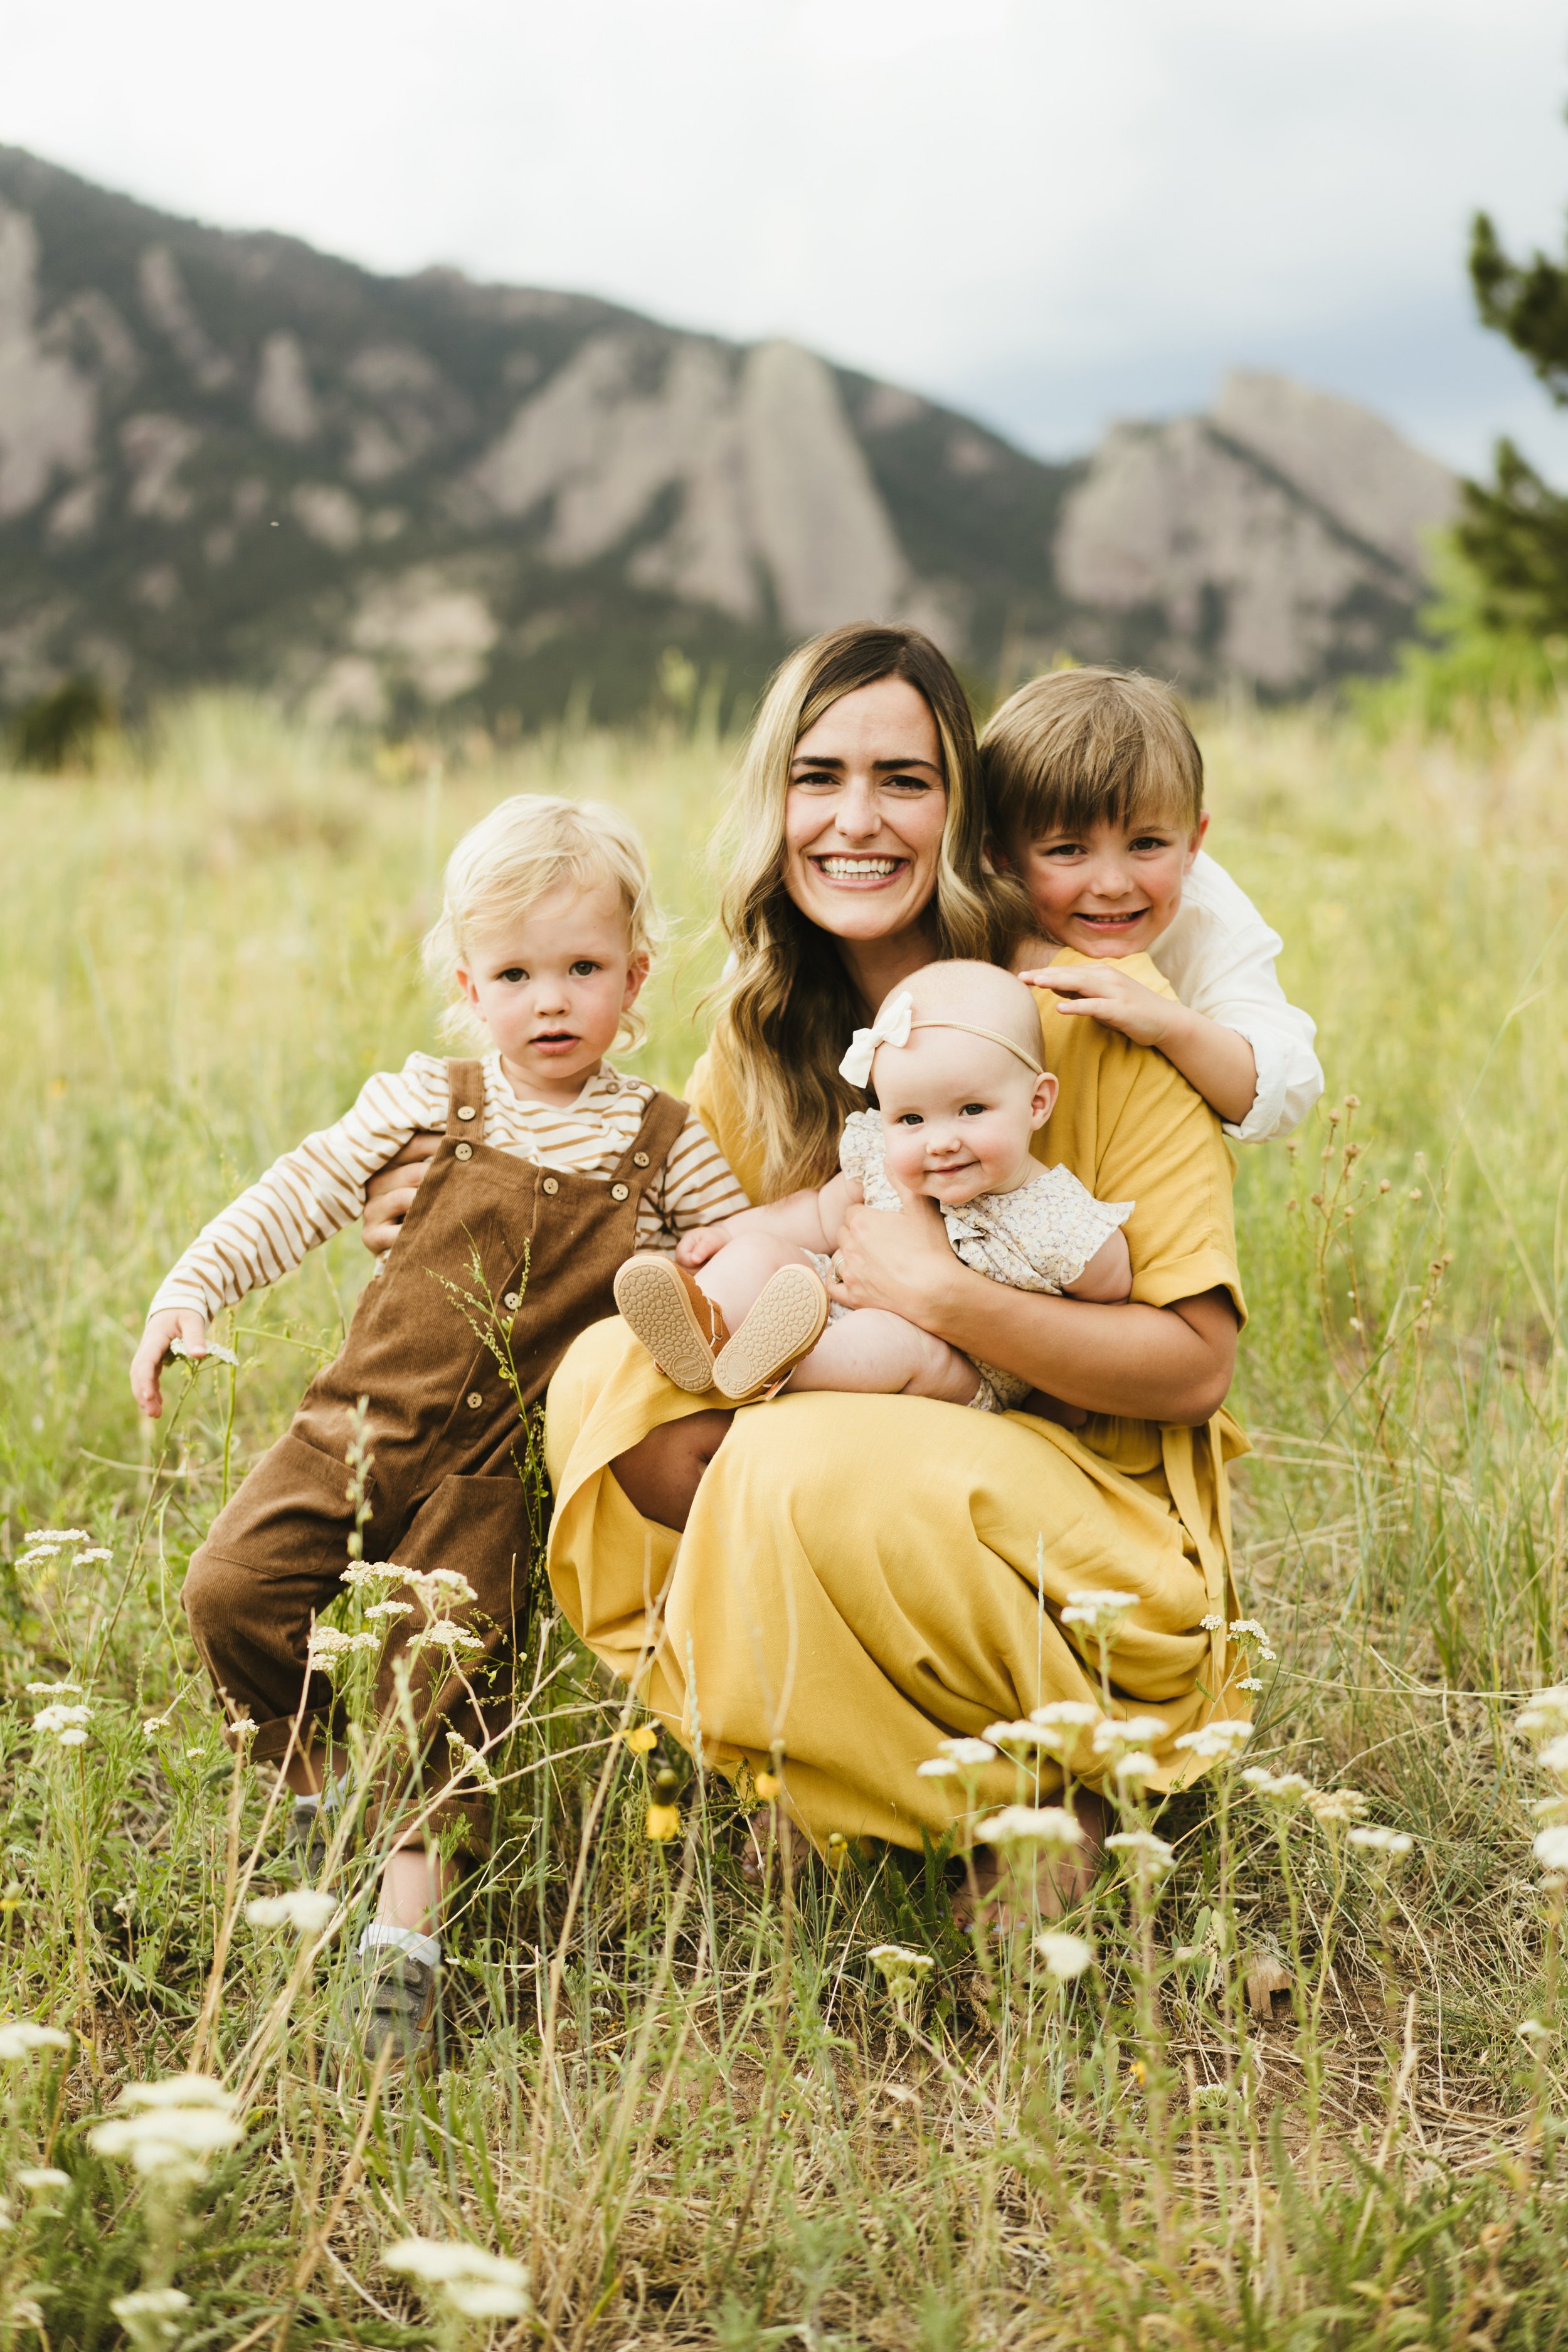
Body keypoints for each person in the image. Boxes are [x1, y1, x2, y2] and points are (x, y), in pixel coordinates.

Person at [362, 626, 1253, 1925]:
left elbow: (1193, 1365)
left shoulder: (1084, 1012)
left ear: (962, 813)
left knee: (783, 1464)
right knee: (610, 1380)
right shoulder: (761, 1041)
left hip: (1080, 1513)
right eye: (818, 776)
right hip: (860, 1447)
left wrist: (941, 1295)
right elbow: (646, 1247)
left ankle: (1056, 1795)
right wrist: (437, 1204)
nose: (857, 819)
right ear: (772, 802)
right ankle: (823, 1762)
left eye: (903, 778)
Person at [131, 793, 747, 2058]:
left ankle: (401, 1950)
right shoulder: (430, 1098)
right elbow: (301, 1189)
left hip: (496, 1471)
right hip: (356, 1426)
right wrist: (191, 1287)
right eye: (516, 973)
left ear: (635, 978)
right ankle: (318, 1798)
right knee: (231, 1589)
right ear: (469, 983)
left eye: (582, 969)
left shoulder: (665, 1149)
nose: (550, 1000)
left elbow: (737, 1263)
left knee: (440, 1684)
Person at [612, 959, 1133, 1412]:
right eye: (911, 1119)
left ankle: (764, 1368)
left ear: (1037, 1103)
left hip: (953, 1364)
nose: (941, 1142)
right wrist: (727, 1232)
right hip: (830, 1303)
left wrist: (1056, 1398)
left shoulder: (1057, 1217)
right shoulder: (881, 1161)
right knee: (761, 1253)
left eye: (972, 1110)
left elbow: (1106, 1307)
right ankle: (701, 1328)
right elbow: (817, 1214)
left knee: (893, 1342)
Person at [984, 667, 1323, 1143]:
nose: (1113, 884)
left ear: (1193, 843)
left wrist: (1170, 1025)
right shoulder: (973, 907)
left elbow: (1284, 1091)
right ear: (999, 856)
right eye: (1067, 850)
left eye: (1146, 844)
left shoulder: (1212, 920)